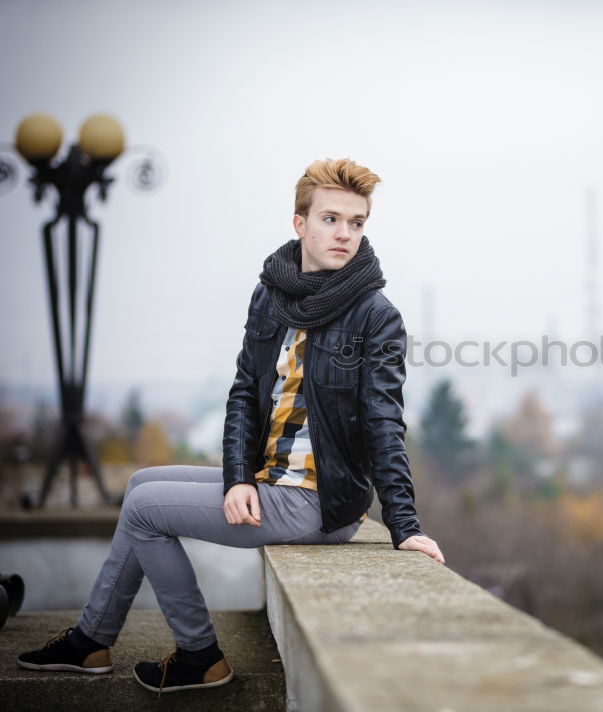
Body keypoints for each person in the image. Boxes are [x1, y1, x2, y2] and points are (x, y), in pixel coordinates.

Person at [16, 158, 445, 694]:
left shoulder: (375, 315)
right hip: (270, 478)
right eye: (331, 219)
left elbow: (384, 422)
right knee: (140, 485)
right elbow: (245, 392)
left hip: (315, 498)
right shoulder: (272, 294)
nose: (345, 234)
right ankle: (91, 642)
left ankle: (198, 655)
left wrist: (405, 526)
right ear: (299, 223)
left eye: (357, 223)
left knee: (147, 512)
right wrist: (238, 476)